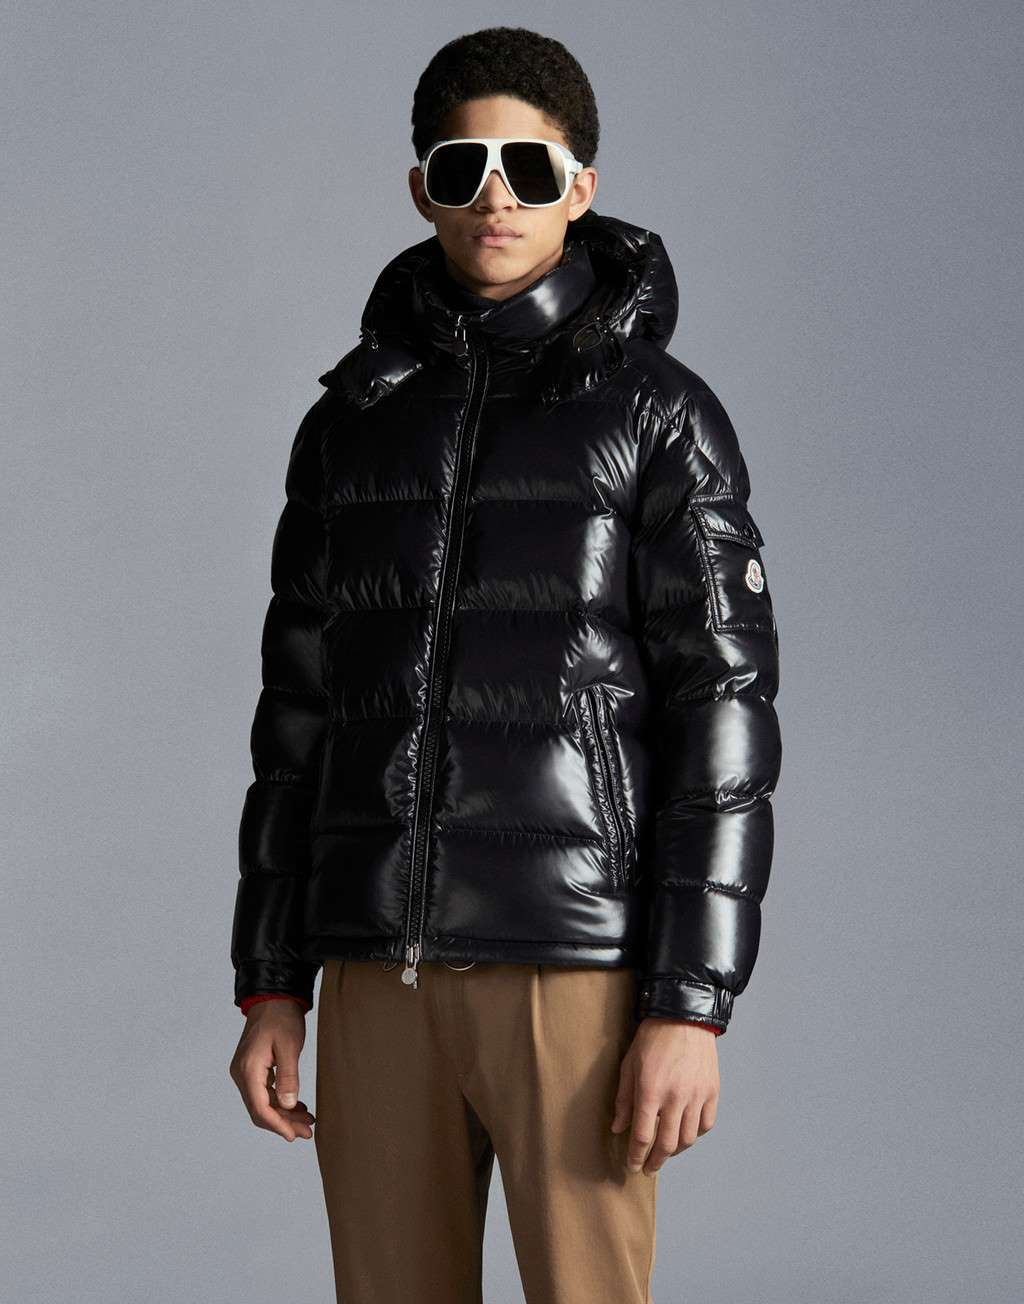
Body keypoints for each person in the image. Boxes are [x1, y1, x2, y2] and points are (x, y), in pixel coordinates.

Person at [228, 25, 781, 1304]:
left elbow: (723, 717)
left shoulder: (659, 414)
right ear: (420, 186)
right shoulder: (350, 422)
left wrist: (688, 1002)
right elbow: (297, 718)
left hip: (571, 970)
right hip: (376, 970)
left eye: (529, 169)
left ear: (579, 187)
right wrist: (271, 983)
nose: (496, 195)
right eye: (462, 165)